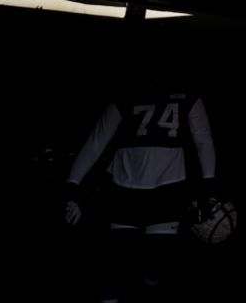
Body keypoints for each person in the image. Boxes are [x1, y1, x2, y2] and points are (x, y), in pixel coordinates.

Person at [63, 56, 218, 302]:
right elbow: (97, 141)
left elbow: (203, 139)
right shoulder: (126, 95)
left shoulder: (186, 95)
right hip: (128, 188)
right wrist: (72, 185)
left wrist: (208, 185)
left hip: (164, 189)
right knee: (117, 267)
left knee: (153, 266)